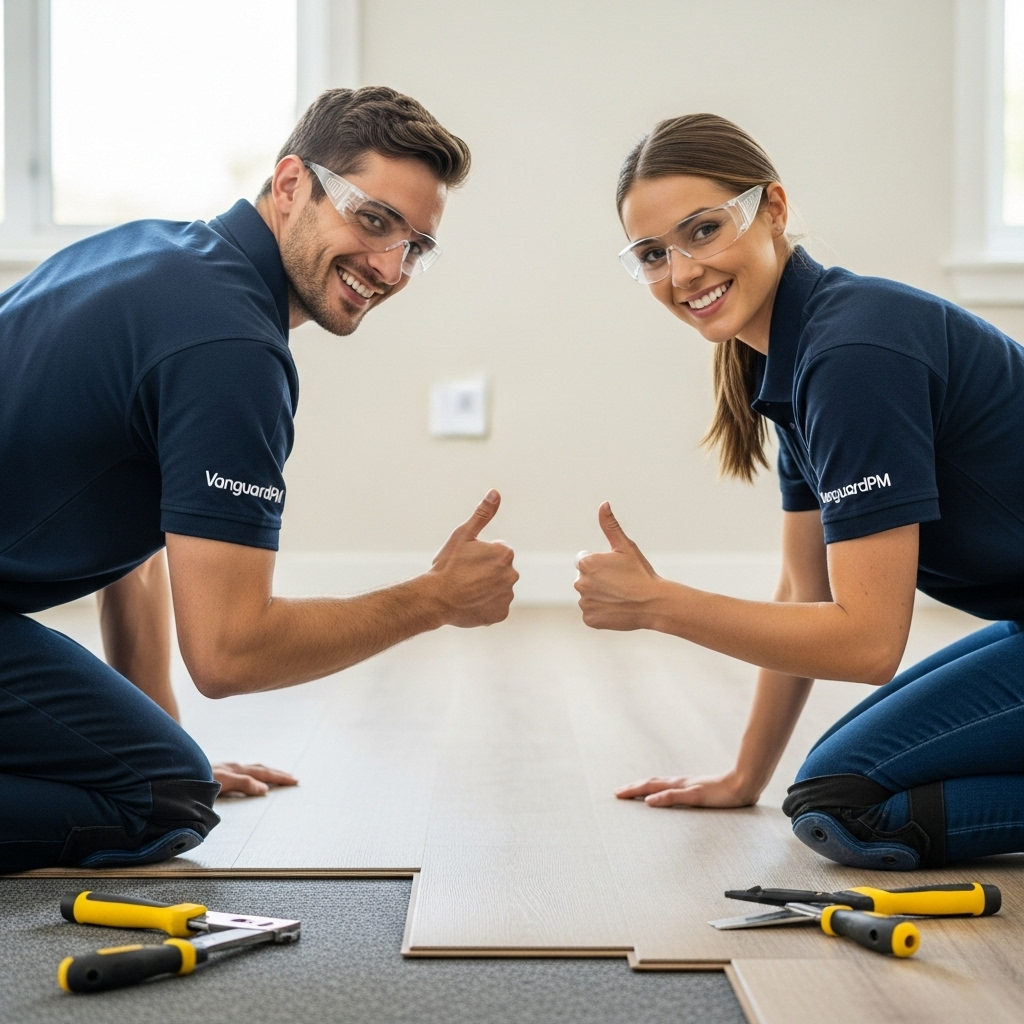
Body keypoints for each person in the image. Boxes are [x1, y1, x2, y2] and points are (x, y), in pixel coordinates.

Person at [0, 87, 517, 874]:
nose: (390, 266)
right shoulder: (230, 348)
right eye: (373, 220)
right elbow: (231, 653)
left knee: (168, 771)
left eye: (415, 245)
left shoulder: (158, 253)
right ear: (289, 187)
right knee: (159, 800)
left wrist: (159, 738)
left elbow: (134, 542)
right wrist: (434, 598)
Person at [575, 113, 1024, 870]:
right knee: (835, 780)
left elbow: (869, 640)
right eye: (653, 254)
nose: (682, 272)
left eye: (703, 231)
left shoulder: (850, 356)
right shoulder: (790, 355)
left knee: (838, 806)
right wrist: (743, 776)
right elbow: (804, 586)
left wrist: (660, 604)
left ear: (772, 209)